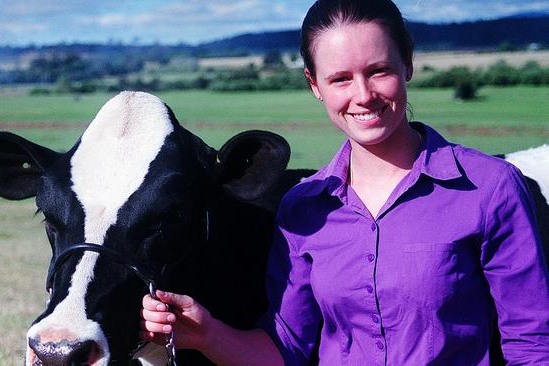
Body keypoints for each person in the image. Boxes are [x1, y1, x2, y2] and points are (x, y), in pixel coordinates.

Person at [140, 0, 549, 364]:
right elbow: (286, 350)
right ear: (314, 84)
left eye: (379, 70)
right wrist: (207, 335)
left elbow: (533, 346)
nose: (363, 94)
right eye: (340, 79)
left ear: (407, 63)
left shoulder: (490, 188)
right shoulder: (303, 208)